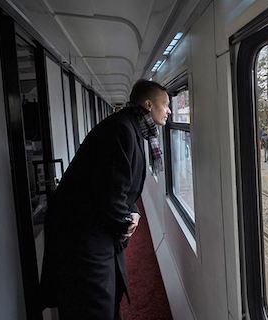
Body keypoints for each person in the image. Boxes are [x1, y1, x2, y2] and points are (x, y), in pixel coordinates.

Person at [40, 79, 171, 320]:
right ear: (149, 105)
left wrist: (133, 212)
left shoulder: (130, 127)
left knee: (108, 295)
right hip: (81, 235)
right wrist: (126, 221)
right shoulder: (121, 131)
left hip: (95, 227)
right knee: (93, 302)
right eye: (166, 105)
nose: (169, 111)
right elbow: (108, 193)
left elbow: (123, 188)